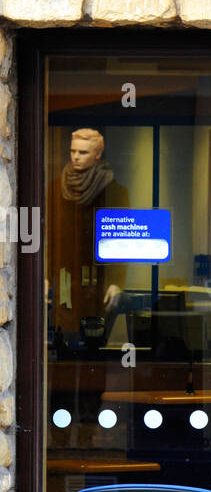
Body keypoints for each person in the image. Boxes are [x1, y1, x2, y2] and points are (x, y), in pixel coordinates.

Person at [46, 128, 128, 344]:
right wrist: (44, 277)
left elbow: (121, 238)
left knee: (95, 341)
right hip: (64, 278)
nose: (75, 156)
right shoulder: (55, 189)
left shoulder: (114, 191)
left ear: (97, 154)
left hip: (97, 279)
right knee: (63, 338)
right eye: (73, 151)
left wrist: (116, 281)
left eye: (82, 152)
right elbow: (48, 237)